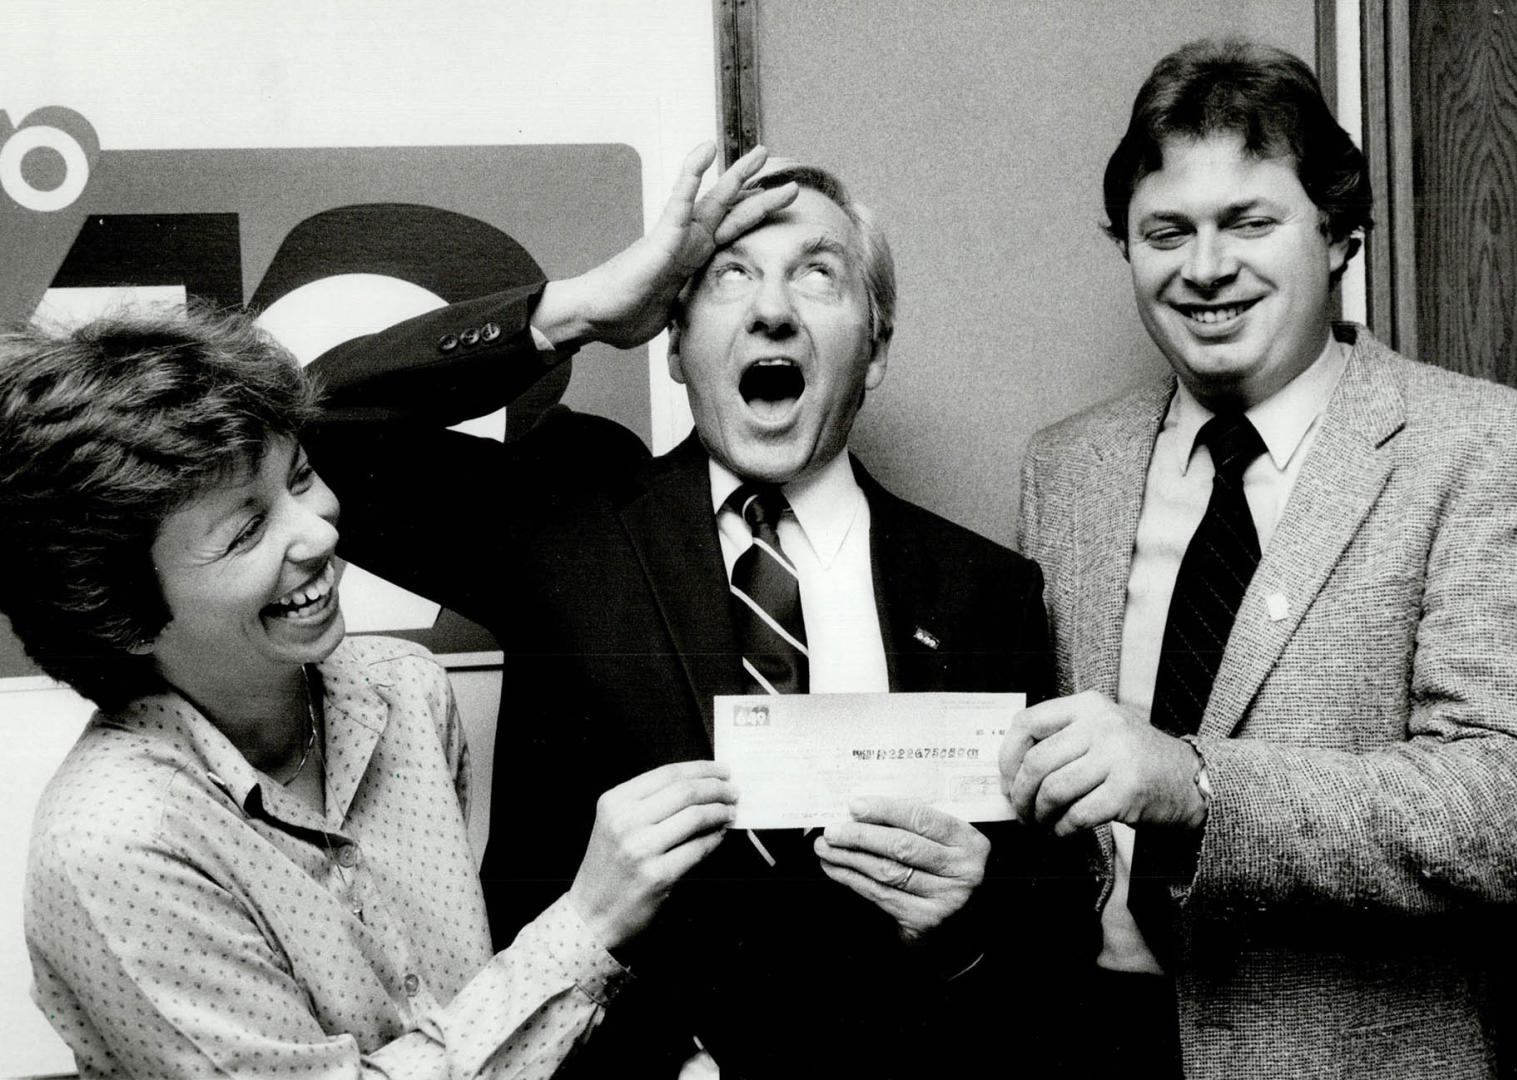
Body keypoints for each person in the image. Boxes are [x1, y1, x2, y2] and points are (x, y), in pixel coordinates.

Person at [303, 146, 1082, 1077]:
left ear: (874, 346)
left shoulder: (984, 590)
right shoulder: (567, 521)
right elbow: (313, 429)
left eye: (818, 276)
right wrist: (585, 308)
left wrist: (969, 925)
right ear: (672, 344)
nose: (772, 309)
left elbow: (1056, 941)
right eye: (729, 278)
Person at [999, 37, 1517, 1079]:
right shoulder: (1066, 468)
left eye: (1248, 222)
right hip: (1087, 1043)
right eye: (1164, 231)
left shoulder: (1489, 449)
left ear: (1338, 233)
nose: (1203, 267)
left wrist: (1195, 784)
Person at [0, 305, 744, 1078]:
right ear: (122, 613)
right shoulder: (116, 847)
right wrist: (586, 927)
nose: (320, 533)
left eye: (300, 478)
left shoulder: (404, 690)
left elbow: (458, 1022)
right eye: (247, 529)